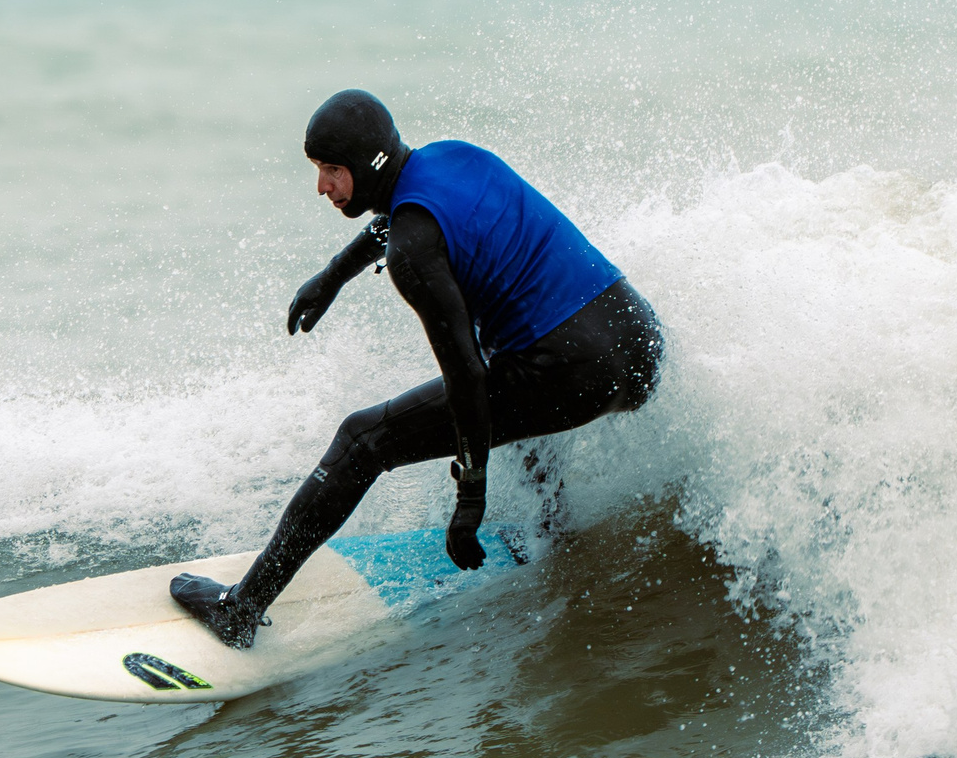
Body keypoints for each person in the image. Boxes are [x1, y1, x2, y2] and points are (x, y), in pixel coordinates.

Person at [171, 89, 664, 648]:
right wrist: (334, 275)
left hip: (573, 372)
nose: (322, 188)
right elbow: (406, 213)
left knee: (364, 439)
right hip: (636, 338)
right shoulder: (451, 156)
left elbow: (467, 379)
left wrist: (470, 496)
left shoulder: (412, 253)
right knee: (517, 388)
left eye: (333, 171)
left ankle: (241, 609)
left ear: (367, 165)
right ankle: (557, 526)